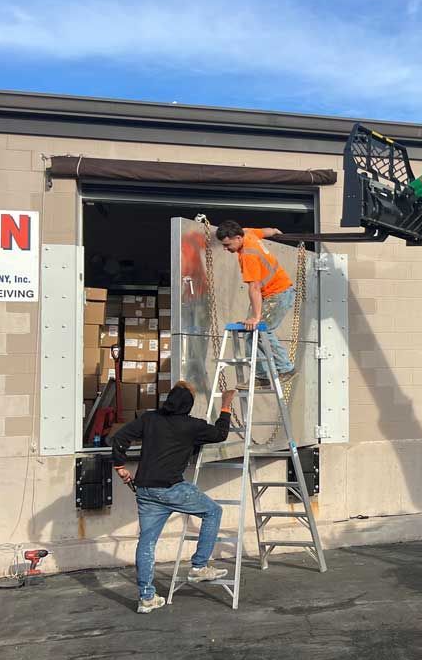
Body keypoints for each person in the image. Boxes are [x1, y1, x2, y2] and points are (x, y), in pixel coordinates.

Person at [111, 382, 236, 613]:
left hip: (145, 491)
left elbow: (119, 438)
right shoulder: (191, 426)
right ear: (188, 405)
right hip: (171, 488)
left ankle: (146, 597)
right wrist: (226, 405)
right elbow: (220, 434)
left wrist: (120, 466)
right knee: (213, 511)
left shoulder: (150, 419)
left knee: (147, 543)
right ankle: (199, 566)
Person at [215, 220, 295, 388]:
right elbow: (265, 231)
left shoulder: (248, 255)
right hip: (271, 293)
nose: (225, 248)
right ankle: (261, 376)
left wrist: (256, 317)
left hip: (277, 294)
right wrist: (274, 230)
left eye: (227, 244)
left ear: (237, 238)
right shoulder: (247, 233)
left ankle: (286, 368)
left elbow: (254, 287)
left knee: (260, 330)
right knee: (251, 333)